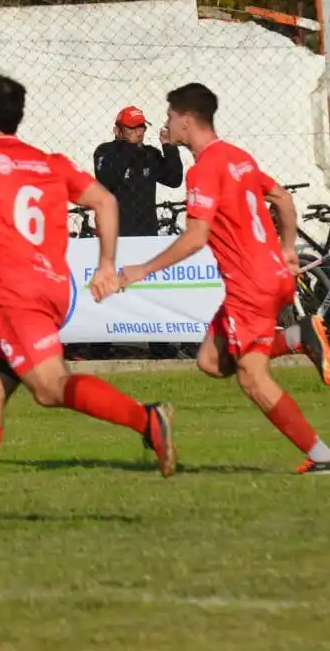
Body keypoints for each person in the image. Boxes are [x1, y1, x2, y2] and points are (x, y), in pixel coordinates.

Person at [0, 73, 175, 532]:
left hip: (17, 295)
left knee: (51, 387)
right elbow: (106, 202)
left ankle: (147, 419)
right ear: (19, 117)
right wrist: (106, 263)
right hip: (54, 287)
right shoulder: (47, 162)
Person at [116, 83, 330, 473]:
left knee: (252, 377)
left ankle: (322, 456)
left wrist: (141, 270)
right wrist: (285, 249)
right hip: (273, 274)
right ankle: (301, 336)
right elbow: (281, 197)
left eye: (169, 117)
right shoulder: (238, 157)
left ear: (186, 119)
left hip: (249, 284)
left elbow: (196, 237)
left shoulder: (203, 169)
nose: (165, 125)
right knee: (212, 361)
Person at [93, 106, 184, 236]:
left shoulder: (149, 154)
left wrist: (169, 147)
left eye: (141, 127)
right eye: (132, 128)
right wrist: (130, 146)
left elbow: (174, 180)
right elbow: (107, 181)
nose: (139, 132)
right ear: (117, 131)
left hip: (147, 235)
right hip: (114, 235)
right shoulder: (105, 151)